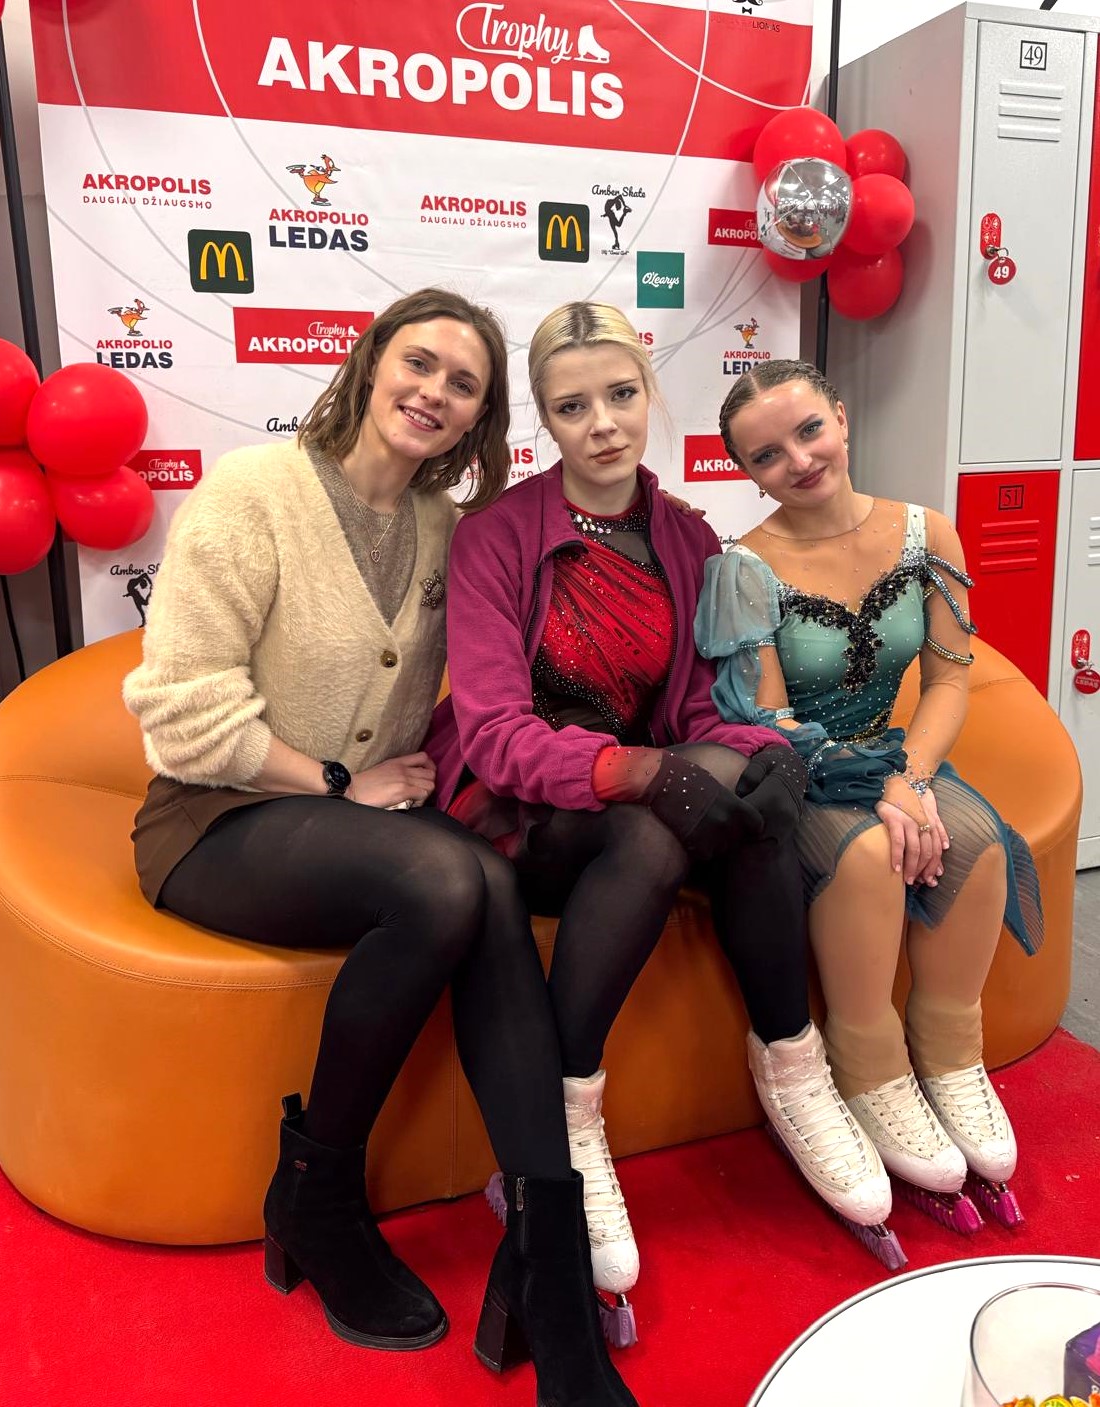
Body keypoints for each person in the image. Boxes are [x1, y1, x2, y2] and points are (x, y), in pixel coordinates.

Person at [122, 288, 640, 1407]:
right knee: (447, 878)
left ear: (480, 418)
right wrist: (337, 781)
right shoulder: (251, 492)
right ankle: (318, 1197)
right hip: (213, 817)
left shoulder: (449, 529)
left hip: (368, 828)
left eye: (465, 384)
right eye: (419, 363)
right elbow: (180, 715)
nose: (434, 393)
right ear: (369, 363)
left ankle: (550, 1269)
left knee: (483, 880)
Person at [424, 303, 892, 1335]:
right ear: (543, 417)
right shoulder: (496, 535)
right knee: (654, 823)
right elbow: (495, 735)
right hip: (523, 806)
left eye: (621, 395)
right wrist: (643, 772)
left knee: (752, 797)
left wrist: (766, 751)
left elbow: (691, 715)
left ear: (649, 394)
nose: (602, 424)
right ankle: (568, 1114)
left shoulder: (684, 535)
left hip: (645, 789)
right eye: (572, 406)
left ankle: (794, 1066)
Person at [697, 358, 1042, 1236]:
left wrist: (911, 778)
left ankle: (949, 1051)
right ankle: (868, 1062)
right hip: (800, 772)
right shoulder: (744, 567)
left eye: (809, 430)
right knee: (867, 857)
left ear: (842, 419)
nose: (799, 460)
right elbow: (767, 721)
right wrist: (881, 791)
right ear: (747, 472)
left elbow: (951, 680)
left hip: (894, 757)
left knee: (979, 842)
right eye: (767, 455)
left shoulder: (928, 532)